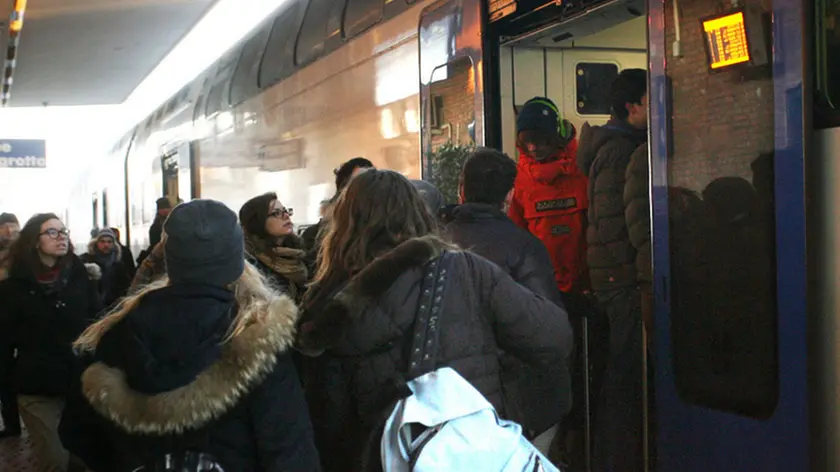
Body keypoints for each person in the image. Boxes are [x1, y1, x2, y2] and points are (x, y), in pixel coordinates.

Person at [296, 169, 573, 472]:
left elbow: (326, 424)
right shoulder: (465, 270)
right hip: (467, 454)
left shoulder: (323, 308)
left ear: (344, 226)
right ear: (419, 214)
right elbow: (554, 339)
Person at [59, 199, 321, 472]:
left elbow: (75, 432)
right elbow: (289, 449)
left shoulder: (116, 334)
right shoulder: (257, 339)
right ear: (235, 259)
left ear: (171, 259)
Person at [445, 147, 570, 456]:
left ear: (462, 190)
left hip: (450, 402)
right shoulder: (526, 247)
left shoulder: (434, 243)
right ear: (511, 195)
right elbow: (551, 337)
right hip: (514, 403)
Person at [577, 68, 648, 472]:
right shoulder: (620, 151)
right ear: (631, 107)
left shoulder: (615, 146)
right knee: (625, 377)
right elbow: (611, 221)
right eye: (649, 100)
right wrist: (635, 276)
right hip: (621, 281)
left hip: (612, 277)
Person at [0, 214, 102, 471]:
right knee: (55, 459)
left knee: (84, 459)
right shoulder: (13, 288)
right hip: (36, 387)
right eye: (52, 233)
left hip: (80, 383)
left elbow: (99, 321)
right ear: (36, 241)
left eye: (63, 231)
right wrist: (8, 388)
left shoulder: (80, 278)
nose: (62, 237)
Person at [508, 97, 590, 298]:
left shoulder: (584, 167)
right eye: (526, 142)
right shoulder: (519, 180)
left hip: (587, 285)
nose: (533, 148)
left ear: (557, 136)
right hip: (541, 289)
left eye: (538, 141)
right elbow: (515, 236)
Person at [239, 193, 309, 302]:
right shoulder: (250, 265)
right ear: (257, 223)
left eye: (285, 211)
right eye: (276, 213)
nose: (286, 216)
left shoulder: (297, 251)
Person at [301, 157, 374, 254]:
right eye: (360, 181)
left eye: (371, 180)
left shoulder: (382, 227)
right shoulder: (314, 236)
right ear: (343, 190)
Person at [0, 212, 20, 439]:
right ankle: (12, 423)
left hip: (23, 319)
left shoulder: (27, 251)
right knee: (4, 373)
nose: (8, 231)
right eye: (3, 227)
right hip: (3, 322)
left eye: (11, 226)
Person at [81, 228, 132, 308]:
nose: (106, 245)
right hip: (91, 306)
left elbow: (125, 288)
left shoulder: (118, 265)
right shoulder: (86, 260)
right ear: (96, 243)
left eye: (109, 242)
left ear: (113, 244)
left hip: (113, 307)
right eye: (102, 241)